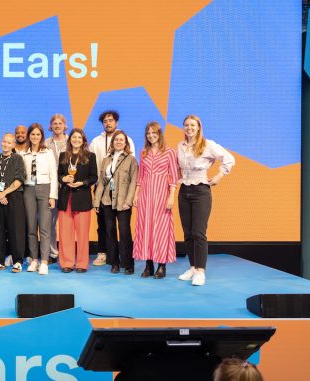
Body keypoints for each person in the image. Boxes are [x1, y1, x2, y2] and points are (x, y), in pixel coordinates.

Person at [177, 115, 235, 286]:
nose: (189, 128)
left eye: (193, 125)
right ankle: (193, 267)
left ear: (199, 127)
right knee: (187, 233)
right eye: (186, 125)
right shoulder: (180, 146)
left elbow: (229, 158)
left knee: (198, 232)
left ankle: (201, 271)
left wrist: (219, 175)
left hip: (201, 191)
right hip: (184, 190)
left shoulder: (208, 145)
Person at [89, 110, 135, 267]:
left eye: (111, 120)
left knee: (123, 229)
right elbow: (97, 171)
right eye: (105, 121)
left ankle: (126, 261)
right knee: (105, 227)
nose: (108, 123)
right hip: (104, 192)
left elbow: (132, 172)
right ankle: (107, 257)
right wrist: (96, 198)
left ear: (116, 122)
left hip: (122, 192)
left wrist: (130, 199)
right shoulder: (96, 142)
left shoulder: (128, 143)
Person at [132, 122, 178, 279]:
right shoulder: (143, 152)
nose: (151, 135)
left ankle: (161, 266)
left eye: (154, 133)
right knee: (146, 229)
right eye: (148, 133)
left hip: (161, 195)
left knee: (161, 229)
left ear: (160, 134)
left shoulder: (169, 152)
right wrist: (136, 194)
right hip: (145, 194)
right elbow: (140, 177)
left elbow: (173, 176)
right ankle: (148, 264)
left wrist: (171, 196)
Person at [57, 128, 97, 273]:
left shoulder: (90, 156)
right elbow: (58, 175)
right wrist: (63, 178)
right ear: (70, 140)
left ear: (83, 141)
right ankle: (67, 262)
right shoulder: (63, 156)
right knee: (65, 233)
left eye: (79, 138)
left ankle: (82, 264)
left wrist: (82, 183)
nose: (76, 140)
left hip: (82, 198)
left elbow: (94, 177)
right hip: (66, 198)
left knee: (82, 234)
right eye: (74, 137)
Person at [0, 133, 27, 273]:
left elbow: (19, 179)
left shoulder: (17, 158)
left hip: (14, 198)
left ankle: (17, 261)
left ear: (13, 145)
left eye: (9, 142)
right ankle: (0, 260)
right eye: (4, 141)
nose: (6, 144)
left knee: (15, 230)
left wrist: (4, 193)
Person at [21, 123, 57, 275]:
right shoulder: (23, 154)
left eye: (38, 134)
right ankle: (34, 260)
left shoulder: (48, 152)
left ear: (42, 136)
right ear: (29, 135)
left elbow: (53, 174)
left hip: (45, 189)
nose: (35, 137)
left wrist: (52, 196)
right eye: (32, 134)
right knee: (31, 227)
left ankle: (44, 261)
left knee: (44, 228)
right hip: (28, 190)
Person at [46, 114, 69, 262]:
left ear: (65, 126)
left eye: (60, 123)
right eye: (55, 123)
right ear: (50, 126)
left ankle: (67, 253)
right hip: (51, 188)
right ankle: (53, 253)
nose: (57, 126)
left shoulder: (71, 142)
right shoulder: (46, 143)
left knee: (66, 222)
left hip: (68, 186)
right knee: (50, 222)